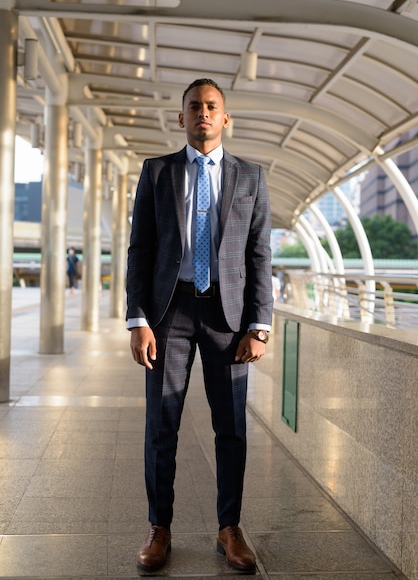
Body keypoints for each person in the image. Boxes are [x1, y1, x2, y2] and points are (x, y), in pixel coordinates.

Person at [126, 78, 273, 574]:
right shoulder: (157, 172)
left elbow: (258, 253)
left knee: (231, 428)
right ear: (181, 117)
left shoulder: (250, 176)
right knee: (160, 424)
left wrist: (259, 324)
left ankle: (229, 528)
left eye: (212, 107)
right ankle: (158, 527)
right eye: (195, 107)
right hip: (170, 313)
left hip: (229, 319)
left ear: (225, 117)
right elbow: (140, 249)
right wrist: (138, 319)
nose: (203, 114)